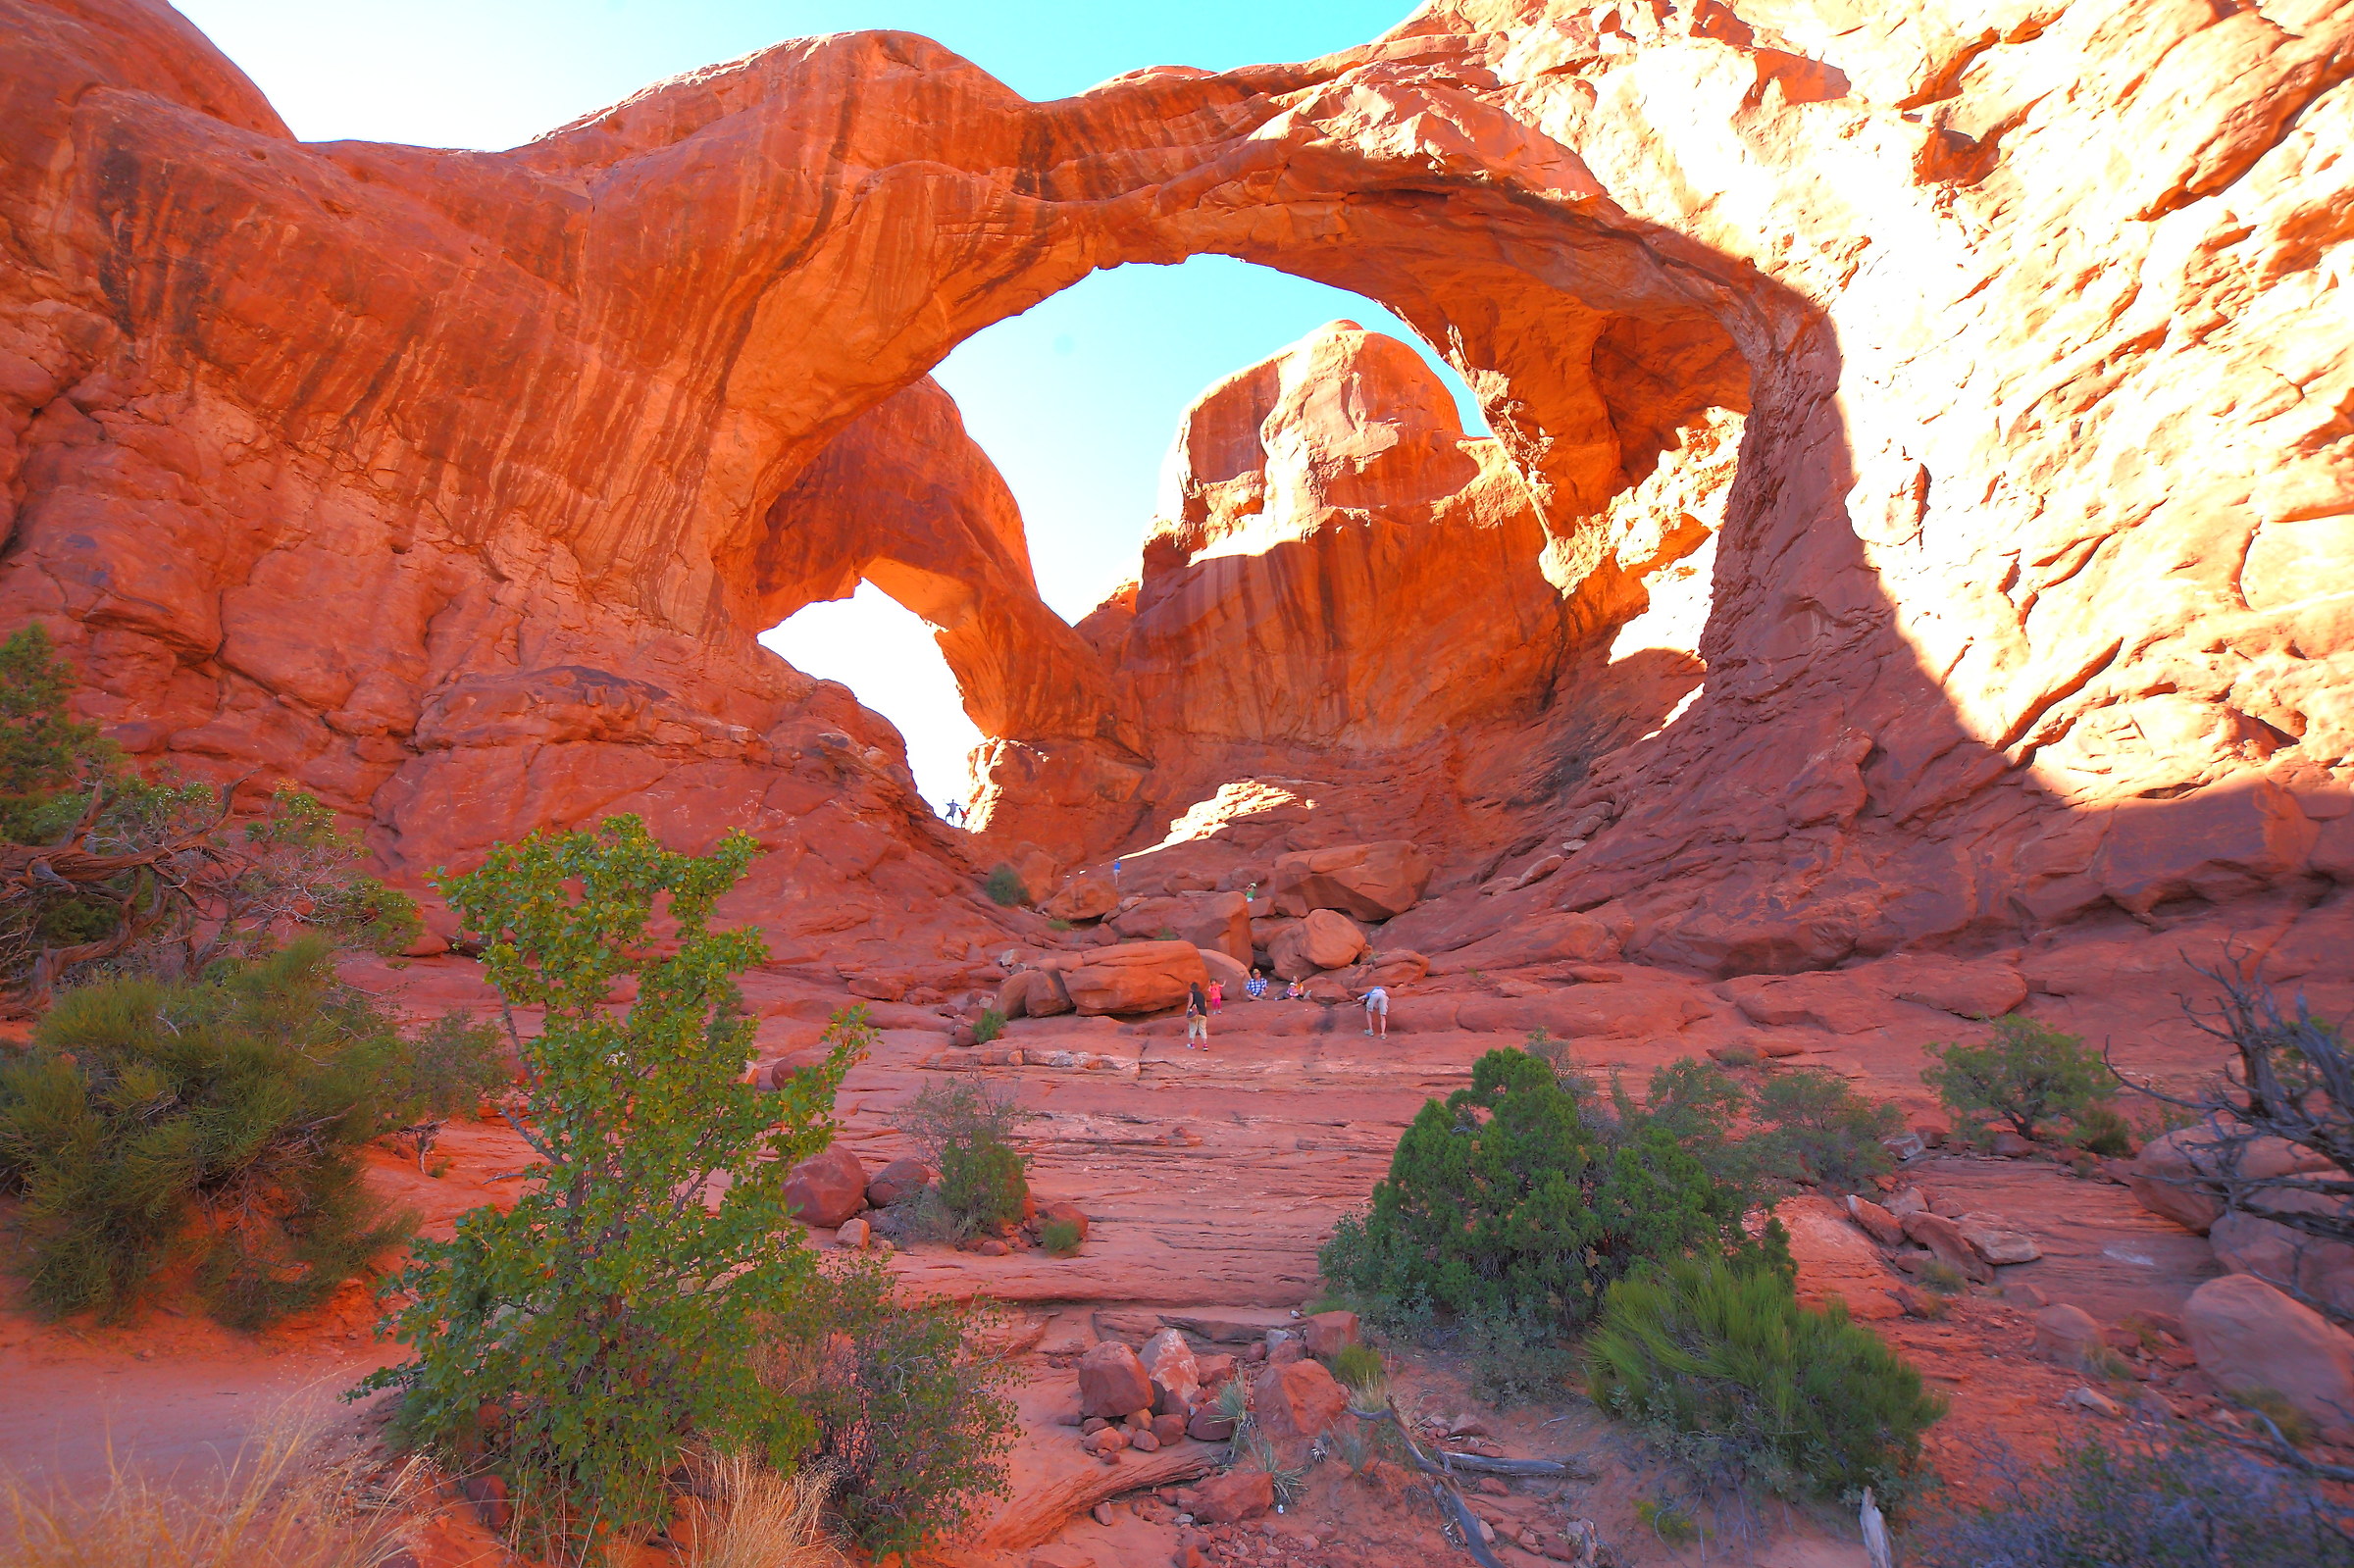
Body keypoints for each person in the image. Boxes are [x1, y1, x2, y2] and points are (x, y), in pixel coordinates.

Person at [1184, 982, 1210, 1048]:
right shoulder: (1202, 995)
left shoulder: (1191, 993)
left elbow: (1190, 1002)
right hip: (1203, 1013)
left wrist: (1187, 1010)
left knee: (1193, 1028)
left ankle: (1192, 1044)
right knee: (1203, 1029)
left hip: (1195, 1013)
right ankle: (1205, 1045)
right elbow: (1205, 1005)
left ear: (1191, 988)